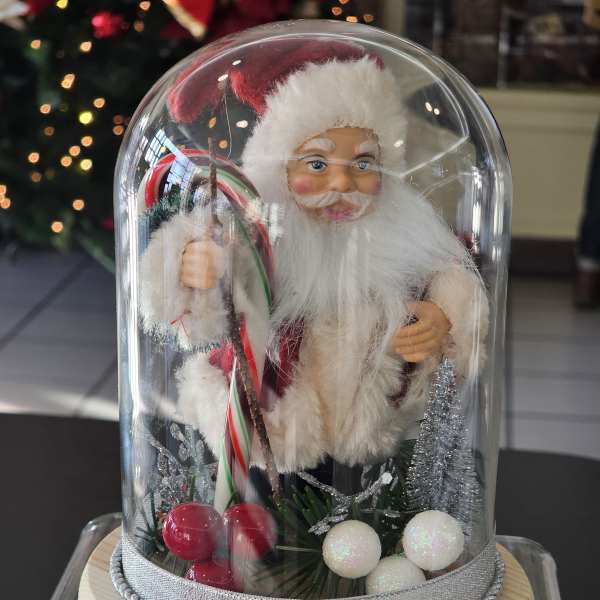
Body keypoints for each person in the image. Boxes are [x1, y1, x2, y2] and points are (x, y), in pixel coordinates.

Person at [139, 42, 488, 474]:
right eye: (318, 164)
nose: (342, 182)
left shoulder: (404, 234)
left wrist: (443, 317)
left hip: (381, 442)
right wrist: (193, 266)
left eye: (363, 163)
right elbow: (203, 315)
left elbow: (451, 276)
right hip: (268, 434)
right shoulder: (256, 233)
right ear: (281, 169)